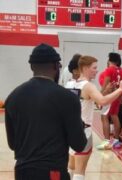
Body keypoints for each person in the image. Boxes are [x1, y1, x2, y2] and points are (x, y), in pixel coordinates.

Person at [4, 43, 87, 180]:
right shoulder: (68, 98)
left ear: (31, 66)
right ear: (56, 66)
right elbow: (79, 145)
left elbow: (12, 144)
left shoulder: (13, 97)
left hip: (22, 172)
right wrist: (80, 125)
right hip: (53, 173)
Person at [65, 55, 122, 180]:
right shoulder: (88, 85)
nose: (97, 70)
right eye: (94, 68)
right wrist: (120, 89)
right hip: (83, 131)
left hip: (69, 131)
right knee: (80, 170)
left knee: (71, 167)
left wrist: (104, 91)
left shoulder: (69, 84)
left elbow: (89, 100)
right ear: (85, 68)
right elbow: (102, 102)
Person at [97, 53, 122, 149]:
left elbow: (105, 84)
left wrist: (99, 96)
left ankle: (106, 142)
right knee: (114, 117)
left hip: (110, 97)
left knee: (104, 117)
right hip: (117, 96)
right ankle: (116, 141)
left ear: (109, 60)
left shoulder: (109, 70)